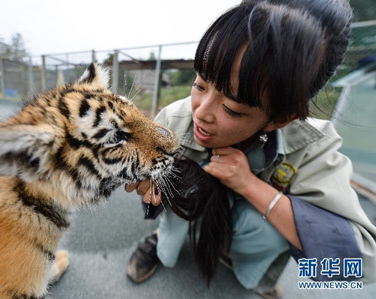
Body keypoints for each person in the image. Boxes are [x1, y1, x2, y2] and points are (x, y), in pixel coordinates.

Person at [124, 0, 376, 298]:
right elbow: (142, 182)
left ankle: (250, 269)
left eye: (231, 108)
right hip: (194, 209)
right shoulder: (173, 121)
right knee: (180, 191)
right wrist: (152, 185)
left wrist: (250, 185)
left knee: (268, 229)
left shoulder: (312, 147)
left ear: (281, 119)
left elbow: (359, 266)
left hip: (248, 218)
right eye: (199, 84)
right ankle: (159, 240)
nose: (201, 113)